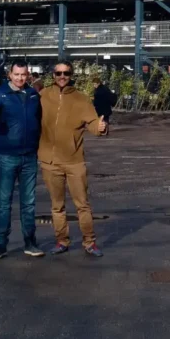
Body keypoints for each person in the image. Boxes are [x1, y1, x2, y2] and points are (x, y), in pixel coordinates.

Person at [39, 61, 108, 257]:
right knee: (57, 206)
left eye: (66, 73)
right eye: (58, 72)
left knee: (82, 205)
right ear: (53, 75)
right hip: (49, 161)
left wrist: (100, 128)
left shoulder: (81, 99)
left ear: (71, 75)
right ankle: (62, 241)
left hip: (74, 161)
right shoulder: (43, 95)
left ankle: (89, 242)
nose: (62, 76)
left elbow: (94, 123)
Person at [0, 60, 44, 260]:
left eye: (23, 75)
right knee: (4, 202)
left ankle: (30, 242)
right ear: (10, 75)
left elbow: (39, 120)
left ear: (28, 75)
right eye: (16, 74)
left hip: (29, 157)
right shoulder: (0, 94)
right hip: (7, 157)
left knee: (29, 203)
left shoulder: (33, 95)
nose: (20, 78)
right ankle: (0, 244)